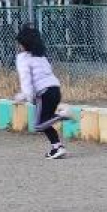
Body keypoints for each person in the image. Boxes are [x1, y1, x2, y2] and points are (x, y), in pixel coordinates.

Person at [14, 26, 68, 159]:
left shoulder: (23, 58)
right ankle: (57, 147)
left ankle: (62, 116)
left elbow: (26, 79)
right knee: (46, 121)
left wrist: (26, 96)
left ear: (23, 44)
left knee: (38, 125)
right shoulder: (41, 56)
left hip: (44, 93)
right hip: (55, 89)